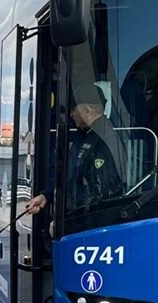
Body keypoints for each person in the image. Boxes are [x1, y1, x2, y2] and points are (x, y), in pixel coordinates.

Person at [26, 84, 127, 216]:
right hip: (75, 217)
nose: (71, 114)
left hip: (88, 220)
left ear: (88, 109)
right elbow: (70, 174)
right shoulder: (83, 136)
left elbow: (106, 190)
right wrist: (46, 196)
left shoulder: (105, 139)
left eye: (74, 108)